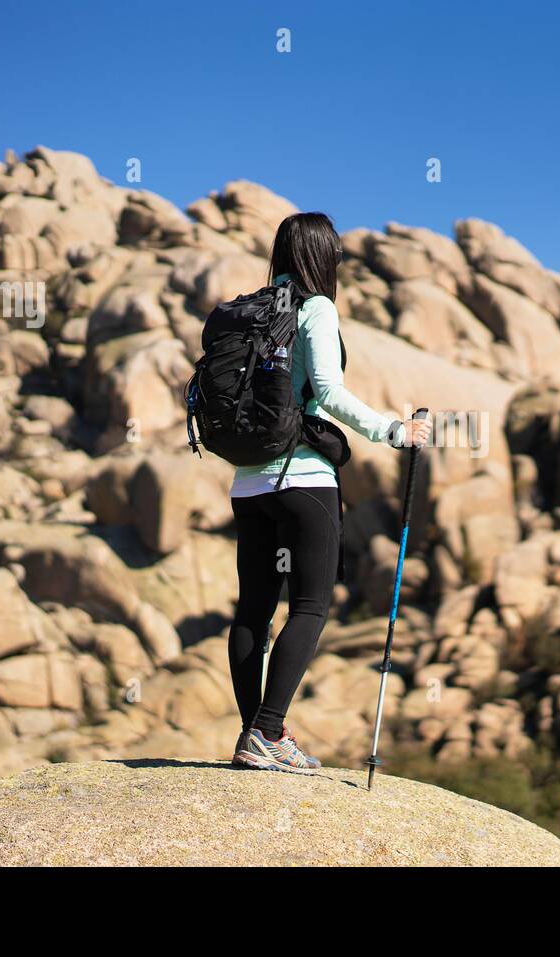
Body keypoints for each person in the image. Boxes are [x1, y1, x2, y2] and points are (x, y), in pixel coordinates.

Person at [227, 211, 431, 774]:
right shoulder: (315, 309)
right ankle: (268, 733)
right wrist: (393, 431)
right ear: (323, 256)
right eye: (335, 253)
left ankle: (255, 732)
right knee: (311, 606)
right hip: (305, 481)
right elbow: (329, 392)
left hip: (249, 486)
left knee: (253, 610)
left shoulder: (252, 314)